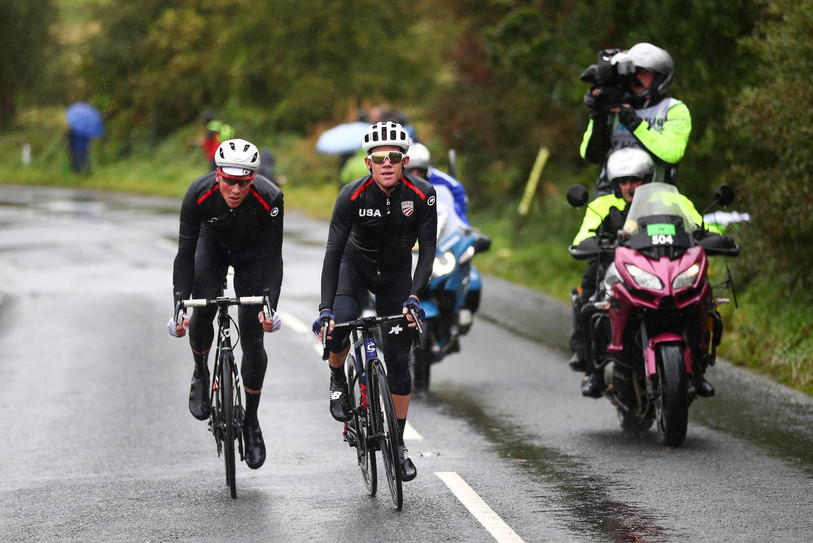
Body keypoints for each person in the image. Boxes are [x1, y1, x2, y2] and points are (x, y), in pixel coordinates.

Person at [314, 121, 437, 482]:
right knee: (339, 327)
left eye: (393, 157)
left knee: (399, 359)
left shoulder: (422, 194)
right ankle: (338, 377)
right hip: (355, 269)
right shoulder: (350, 195)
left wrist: (414, 297)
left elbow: (428, 251)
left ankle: (397, 445)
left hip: (397, 274)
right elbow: (333, 254)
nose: (386, 163)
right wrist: (325, 308)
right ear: (368, 163)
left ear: (404, 161)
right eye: (379, 158)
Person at [168, 138, 284, 470]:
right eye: (229, 181)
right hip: (212, 249)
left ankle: (251, 421)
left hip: (253, 256)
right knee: (202, 308)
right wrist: (179, 304)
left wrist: (269, 306)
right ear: (217, 175)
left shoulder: (270, 197)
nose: (235, 189)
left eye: (243, 182)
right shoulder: (198, 193)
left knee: (252, 336)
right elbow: (185, 255)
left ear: (253, 179)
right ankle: (201, 372)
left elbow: (274, 259)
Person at [569, 147, 717, 398]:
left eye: (635, 180)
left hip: (665, 263)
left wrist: (714, 236)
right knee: (589, 300)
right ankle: (593, 367)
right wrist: (589, 243)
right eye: (623, 181)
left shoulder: (672, 200)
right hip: (615, 265)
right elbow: (584, 234)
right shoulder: (601, 205)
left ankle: (699, 365)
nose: (629, 186)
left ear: (647, 179)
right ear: (615, 184)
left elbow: (700, 224)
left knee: (704, 296)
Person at [580, 43, 691, 196]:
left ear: (660, 77)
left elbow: (671, 154)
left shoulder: (673, 109)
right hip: (610, 199)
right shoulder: (614, 105)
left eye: (645, 72)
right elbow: (591, 155)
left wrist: (635, 124)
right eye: (635, 71)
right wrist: (599, 115)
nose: (637, 77)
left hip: (656, 198)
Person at [406, 142, 471, 228]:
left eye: (419, 171)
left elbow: (457, 190)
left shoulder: (441, 182)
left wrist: (463, 224)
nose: (415, 175)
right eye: (410, 171)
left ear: (426, 171)